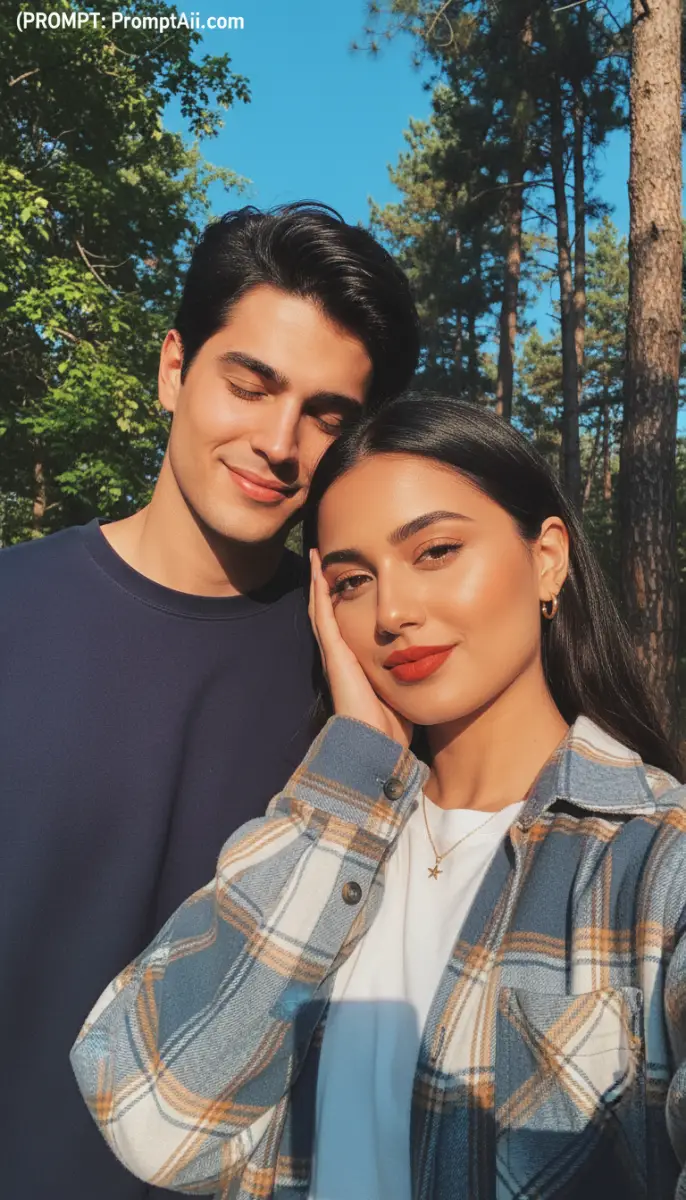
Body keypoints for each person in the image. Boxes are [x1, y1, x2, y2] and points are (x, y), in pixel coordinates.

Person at [71, 395, 686, 1200]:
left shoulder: (654, 862)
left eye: (434, 551)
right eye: (354, 580)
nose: (393, 613)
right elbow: (151, 1118)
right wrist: (356, 775)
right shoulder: (323, 839)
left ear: (548, 558)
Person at [0, 203, 419, 1200]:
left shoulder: (365, 680)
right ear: (173, 371)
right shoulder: (11, 610)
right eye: (250, 383)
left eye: (327, 416)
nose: (279, 442)